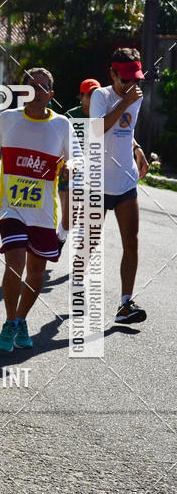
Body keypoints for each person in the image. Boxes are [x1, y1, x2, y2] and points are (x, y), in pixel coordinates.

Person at [0, 67, 81, 352]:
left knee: (37, 271)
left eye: (43, 87)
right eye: (31, 87)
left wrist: (71, 166)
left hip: (43, 211)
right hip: (10, 206)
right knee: (15, 262)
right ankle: (10, 322)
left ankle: (22, 320)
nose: (37, 92)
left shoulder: (62, 125)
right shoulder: (8, 119)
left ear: (51, 95)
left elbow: (78, 157)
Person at [90, 48, 148, 324]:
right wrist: (123, 102)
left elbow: (127, 130)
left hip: (126, 181)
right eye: (124, 79)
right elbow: (97, 130)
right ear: (111, 74)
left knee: (132, 242)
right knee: (89, 243)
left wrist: (138, 149)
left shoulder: (136, 95)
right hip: (98, 184)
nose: (130, 85)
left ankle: (125, 304)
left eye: (134, 79)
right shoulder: (100, 96)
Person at [57, 78, 101, 252]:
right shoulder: (70, 117)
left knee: (86, 218)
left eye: (97, 94)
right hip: (70, 173)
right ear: (81, 96)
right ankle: (60, 237)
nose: (93, 98)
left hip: (94, 174)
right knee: (70, 219)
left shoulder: (103, 115)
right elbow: (59, 141)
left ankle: (80, 256)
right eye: (90, 94)